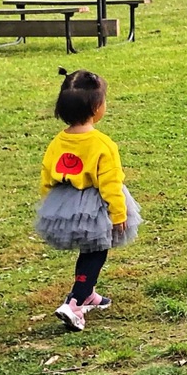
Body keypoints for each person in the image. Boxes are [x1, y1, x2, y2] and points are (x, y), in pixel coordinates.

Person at [33, 68, 140, 332]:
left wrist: (51, 207)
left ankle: (89, 294)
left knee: (88, 249)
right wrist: (118, 213)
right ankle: (75, 302)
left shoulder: (58, 141)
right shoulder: (102, 144)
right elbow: (111, 183)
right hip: (94, 204)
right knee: (96, 250)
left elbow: (47, 175)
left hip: (64, 203)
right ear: (96, 107)